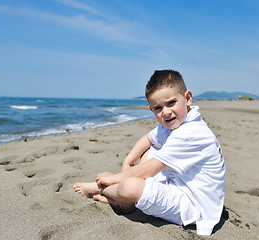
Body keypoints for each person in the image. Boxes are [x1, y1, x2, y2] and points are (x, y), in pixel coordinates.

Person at [74, 70, 225, 236]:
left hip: (193, 205)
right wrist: (127, 162)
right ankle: (125, 201)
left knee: (131, 186)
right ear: (151, 110)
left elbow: (148, 169)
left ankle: (101, 190)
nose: (166, 112)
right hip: (178, 183)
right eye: (158, 108)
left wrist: (112, 179)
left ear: (188, 98)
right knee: (150, 148)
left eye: (171, 103)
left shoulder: (192, 133)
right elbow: (148, 138)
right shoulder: (177, 123)